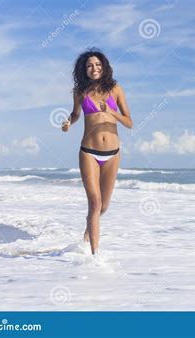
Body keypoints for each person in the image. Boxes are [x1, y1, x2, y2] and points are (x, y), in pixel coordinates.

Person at [62, 47, 133, 255]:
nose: (94, 68)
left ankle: (88, 228)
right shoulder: (80, 92)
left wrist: (111, 112)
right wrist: (68, 123)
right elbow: (75, 114)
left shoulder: (116, 89)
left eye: (98, 64)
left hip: (113, 153)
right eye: (90, 65)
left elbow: (129, 122)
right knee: (94, 203)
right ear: (84, 70)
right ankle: (94, 256)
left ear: (104, 67)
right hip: (89, 151)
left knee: (103, 207)